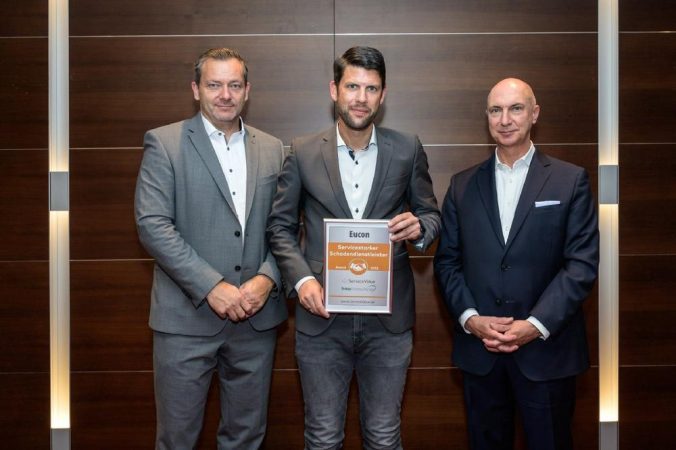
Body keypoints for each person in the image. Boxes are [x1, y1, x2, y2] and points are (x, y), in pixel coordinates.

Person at [267, 46, 440, 449]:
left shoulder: (408, 148)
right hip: (322, 319)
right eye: (352, 87)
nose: (361, 98)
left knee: (383, 436)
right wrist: (302, 281)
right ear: (334, 90)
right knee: (323, 437)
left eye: (371, 88)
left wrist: (419, 228)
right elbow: (279, 227)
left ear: (383, 95)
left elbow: (431, 216)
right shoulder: (303, 151)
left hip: (388, 324)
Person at [434, 78, 599, 450]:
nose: (505, 119)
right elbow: (447, 263)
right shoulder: (461, 186)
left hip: (547, 354)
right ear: (487, 117)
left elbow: (581, 265)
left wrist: (535, 325)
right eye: (496, 110)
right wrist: (471, 319)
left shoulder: (569, 180)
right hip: (481, 353)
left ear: (534, 114)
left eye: (516, 108)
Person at [135, 47, 286, 450]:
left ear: (247, 91)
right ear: (196, 89)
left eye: (234, 85)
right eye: (214, 85)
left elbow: (287, 228)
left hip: (255, 318)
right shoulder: (164, 143)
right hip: (186, 320)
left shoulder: (273, 148)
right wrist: (211, 286)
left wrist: (267, 279)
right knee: (178, 439)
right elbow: (153, 226)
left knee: (246, 438)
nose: (225, 95)